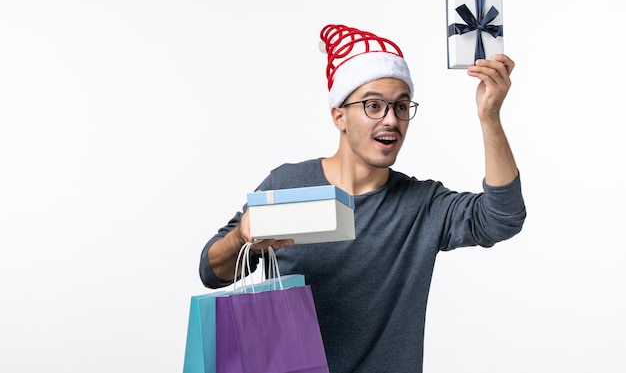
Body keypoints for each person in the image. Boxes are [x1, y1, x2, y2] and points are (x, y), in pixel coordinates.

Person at [199, 24, 526, 373]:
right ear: (339, 115)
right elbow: (211, 270)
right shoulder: (289, 185)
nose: (391, 120)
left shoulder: (422, 205)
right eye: (373, 106)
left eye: (401, 106)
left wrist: (489, 117)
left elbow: (502, 218)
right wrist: (242, 238)